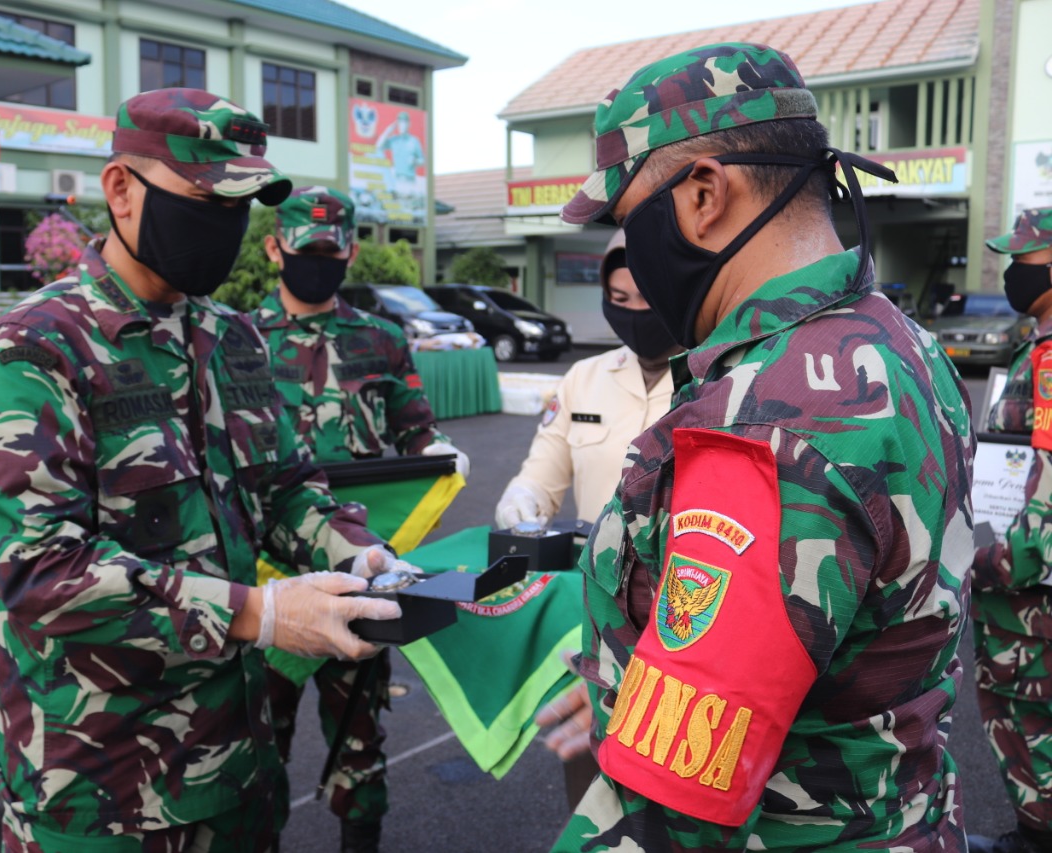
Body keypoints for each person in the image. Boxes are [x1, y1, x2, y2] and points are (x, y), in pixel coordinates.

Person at [542, 43, 974, 849]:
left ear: (703, 196)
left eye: (630, 216)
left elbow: (674, 810)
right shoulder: (900, 343)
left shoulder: (764, 422)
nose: (629, 247)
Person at [0, 89, 404, 853]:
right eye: (204, 202)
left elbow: (285, 486)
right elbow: (39, 568)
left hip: (237, 771)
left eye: (240, 207)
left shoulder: (232, 339)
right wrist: (259, 612)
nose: (224, 228)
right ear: (121, 191)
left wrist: (351, 549)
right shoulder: (33, 350)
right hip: (101, 792)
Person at [254, 185, 468, 853]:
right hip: (268, 574)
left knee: (361, 734)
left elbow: (414, 432)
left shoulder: (380, 338)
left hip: (360, 567)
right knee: (258, 739)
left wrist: (435, 455)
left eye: (331, 251)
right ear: (274, 249)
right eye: (305, 250)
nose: (319, 261)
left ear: (349, 251)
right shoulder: (237, 341)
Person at [495, 230, 679, 531]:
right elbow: (543, 473)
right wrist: (524, 496)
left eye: (646, 298)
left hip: (682, 574)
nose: (633, 313)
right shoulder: (583, 376)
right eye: (619, 298)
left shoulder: (717, 380)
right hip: (595, 570)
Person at [968, 207, 1052, 853]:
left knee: (1031, 720)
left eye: (1023, 258)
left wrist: (998, 560)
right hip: (1020, 586)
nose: (1010, 272)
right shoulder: (1038, 346)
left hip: (1027, 595)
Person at [375, 112, 424, 207]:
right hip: (397, 179)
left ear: (409, 124)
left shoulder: (414, 141)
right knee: (398, 208)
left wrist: (415, 161)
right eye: (400, 122)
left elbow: (423, 160)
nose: (403, 125)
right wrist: (388, 131)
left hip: (410, 180)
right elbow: (378, 146)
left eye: (405, 122)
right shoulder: (394, 140)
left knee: (410, 207)